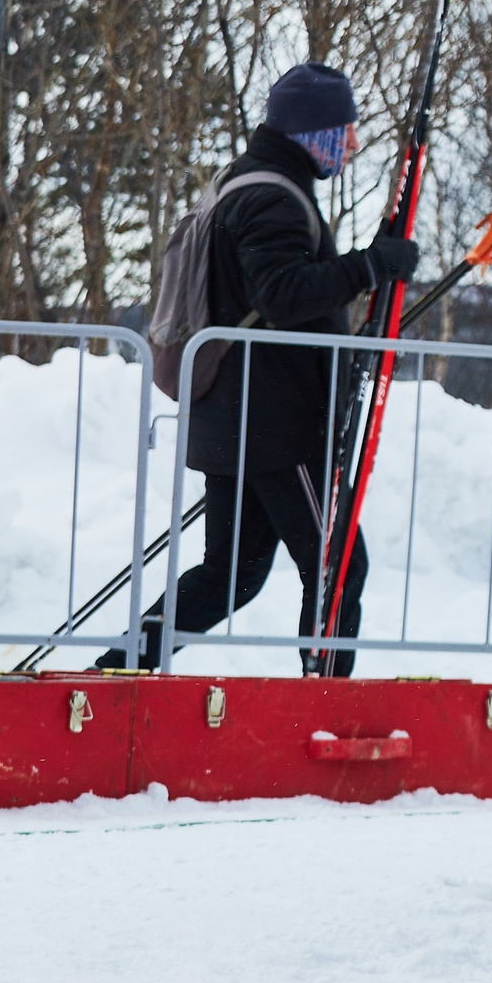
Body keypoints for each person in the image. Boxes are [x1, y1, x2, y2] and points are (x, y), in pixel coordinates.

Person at [100, 62, 419, 676]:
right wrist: (369, 267)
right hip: (278, 426)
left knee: (231, 576)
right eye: (344, 129)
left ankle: (116, 675)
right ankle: (316, 708)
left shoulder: (252, 182)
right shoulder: (271, 195)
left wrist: (369, 263)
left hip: (237, 417)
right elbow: (282, 294)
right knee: (337, 566)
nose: (352, 143)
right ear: (312, 132)